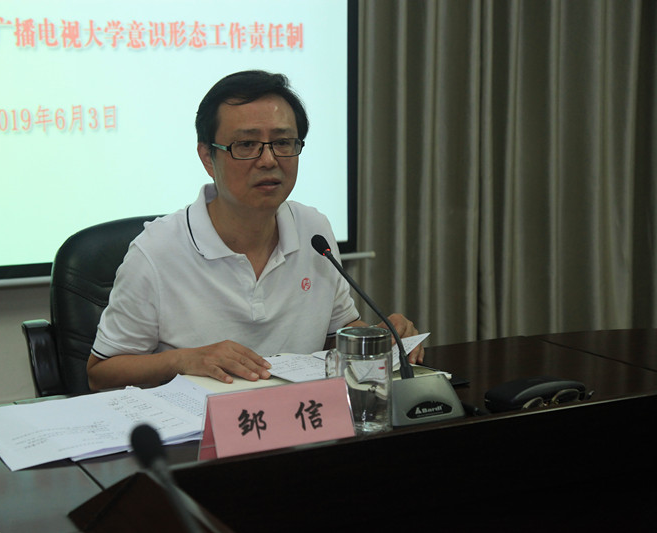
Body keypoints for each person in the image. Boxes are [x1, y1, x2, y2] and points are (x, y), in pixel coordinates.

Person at [86, 70, 422, 391]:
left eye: (283, 142)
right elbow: (100, 373)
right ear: (208, 157)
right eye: (246, 145)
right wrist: (185, 360)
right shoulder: (156, 251)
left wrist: (381, 337)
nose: (269, 160)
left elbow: (338, 332)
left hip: (297, 418)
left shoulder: (313, 230)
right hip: (198, 426)